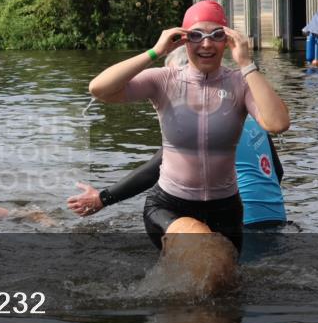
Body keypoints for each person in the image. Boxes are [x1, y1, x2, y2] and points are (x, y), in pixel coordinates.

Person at [86, 0, 290, 257]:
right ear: (183, 40)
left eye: (216, 35)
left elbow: (278, 124)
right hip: (169, 205)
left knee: (221, 280)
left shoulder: (241, 83)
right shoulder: (164, 80)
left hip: (226, 209)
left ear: (227, 40)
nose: (206, 44)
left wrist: (246, 63)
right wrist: (155, 52)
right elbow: (99, 89)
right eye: (196, 35)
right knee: (204, 252)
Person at [70, 46, 288, 231]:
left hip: (240, 223)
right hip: (276, 218)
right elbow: (276, 171)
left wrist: (102, 199)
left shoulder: (203, 123)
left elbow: (152, 171)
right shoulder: (253, 112)